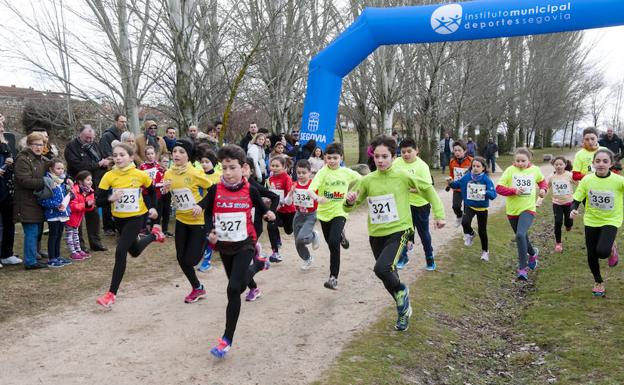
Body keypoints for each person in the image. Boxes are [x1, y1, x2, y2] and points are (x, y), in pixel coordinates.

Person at [345, 135, 445, 332]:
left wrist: (439, 214)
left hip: (400, 230)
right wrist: (349, 201)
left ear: (393, 157)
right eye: (377, 157)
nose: (380, 160)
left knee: (381, 269)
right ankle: (403, 312)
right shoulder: (367, 180)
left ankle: (402, 292)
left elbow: (428, 189)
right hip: (376, 233)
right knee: (388, 274)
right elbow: (350, 206)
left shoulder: (402, 176)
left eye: (385, 156)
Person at [203, 144, 275, 358]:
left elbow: (262, 209)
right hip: (224, 246)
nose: (227, 173)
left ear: (243, 168)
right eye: (224, 168)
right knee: (239, 284)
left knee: (233, 289)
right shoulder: (215, 190)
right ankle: (260, 264)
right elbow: (207, 215)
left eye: (232, 168)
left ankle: (226, 339)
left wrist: (268, 214)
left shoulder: (250, 190)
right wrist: (210, 233)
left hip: (246, 243)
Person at [95, 143, 165, 309]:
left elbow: (153, 191)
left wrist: (153, 207)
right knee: (134, 250)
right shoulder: (109, 176)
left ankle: (111, 295)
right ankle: (155, 235)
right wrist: (111, 198)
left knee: (121, 251)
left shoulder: (139, 175)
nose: (118, 158)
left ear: (131, 157)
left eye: (122, 155)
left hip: (136, 217)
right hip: (119, 219)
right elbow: (98, 200)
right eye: (116, 155)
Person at [162, 139, 213, 303]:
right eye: (175, 151)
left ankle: (209, 242)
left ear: (188, 156)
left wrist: (201, 205)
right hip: (181, 220)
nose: (177, 154)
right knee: (181, 258)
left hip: (197, 221)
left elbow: (213, 190)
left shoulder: (195, 173)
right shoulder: (168, 173)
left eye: (181, 152)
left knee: (191, 260)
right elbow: (171, 195)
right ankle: (197, 288)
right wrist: (165, 191)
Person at [570, 149, 624, 297]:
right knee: (592, 253)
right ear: (593, 163)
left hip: (611, 220)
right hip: (591, 220)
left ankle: (611, 247)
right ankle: (598, 282)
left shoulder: (619, 181)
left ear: (611, 164)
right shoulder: (587, 180)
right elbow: (577, 198)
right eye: (598, 161)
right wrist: (573, 209)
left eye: (605, 161)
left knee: (602, 252)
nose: (601, 164)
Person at [308, 143, 362, 290]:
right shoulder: (322, 172)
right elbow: (311, 190)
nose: (332, 160)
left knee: (333, 243)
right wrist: (318, 198)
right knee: (331, 242)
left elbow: (363, 181)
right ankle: (342, 237)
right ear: (325, 158)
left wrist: (355, 194)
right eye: (329, 157)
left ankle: (333, 278)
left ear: (341, 158)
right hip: (324, 213)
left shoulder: (346, 172)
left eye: (335, 158)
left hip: (340, 211)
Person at [496, 148, 547, 281]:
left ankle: (522, 269)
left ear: (529, 160)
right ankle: (532, 253)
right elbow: (499, 188)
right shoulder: (510, 170)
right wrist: (513, 191)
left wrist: (543, 189)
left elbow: (542, 181)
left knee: (520, 234)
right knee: (522, 236)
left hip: (528, 208)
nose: (520, 163)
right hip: (512, 211)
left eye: (523, 161)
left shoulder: (535, 170)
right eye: (517, 161)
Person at [393, 138, 442, 270]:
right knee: (402, 232)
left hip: (420, 205)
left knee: (423, 233)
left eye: (409, 151)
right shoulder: (397, 163)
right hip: (403, 204)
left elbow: (427, 187)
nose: (406, 154)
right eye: (403, 152)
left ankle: (429, 258)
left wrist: (408, 189)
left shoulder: (422, 166)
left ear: (417, 151)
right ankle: (403, 257)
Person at [64, 125, 109, 251]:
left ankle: (95, 243)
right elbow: (77, 165)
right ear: (80, 135)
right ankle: (80, 245)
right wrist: (98, 164)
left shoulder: (94, 146)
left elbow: (101, 159)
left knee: (93, 214)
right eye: (87, 138)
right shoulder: (71, 147)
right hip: (77, 185)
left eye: (91, 138)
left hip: (92, 185)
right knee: (77, 216)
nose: (89, 140)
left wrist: (104, 163)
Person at [241, 157, 279, 301]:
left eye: (245, 168)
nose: (242, 171)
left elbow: (274, 197)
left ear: (251, 171)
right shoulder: (230, 187)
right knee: (241, 263)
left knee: (244, 262)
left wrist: (271, 213)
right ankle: (254, 285)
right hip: (238, 231)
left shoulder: (254, 187)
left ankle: (253, 286)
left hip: (253, 228)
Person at [448, 156, 497, 261]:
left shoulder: (486, 180)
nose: (475, 168)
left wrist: (485, 192)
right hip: (470, 206)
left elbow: (493, 195)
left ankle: (485, 251)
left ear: (483, 168)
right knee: (465, 222)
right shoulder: (467, 176)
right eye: (473, 166)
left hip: (482, 209)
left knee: (482, 231)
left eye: (478, 166)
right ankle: (470, 233)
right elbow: (457, 184)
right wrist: (451, 182)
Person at [14, 132, 47, 269]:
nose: (39, 147)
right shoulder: (23, 159)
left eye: (41, 144)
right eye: (36, 144)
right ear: (29, 145)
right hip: (26, 202)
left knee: (37, 231)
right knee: (31, 232)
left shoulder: (40, 159)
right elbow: (24, 180)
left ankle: (33, 258)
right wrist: (45, 182)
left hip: (37, 202)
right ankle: (30, 261)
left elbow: (52, 167)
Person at [285, 159, 320, 271]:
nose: (301, 175)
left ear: (310, 172)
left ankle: (314, 235)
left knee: (302, 238)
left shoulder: (313, 185)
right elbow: (288, 202)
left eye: (304, 173)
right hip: (299, 215)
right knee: (298, 242)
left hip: (311, 215)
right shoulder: (294, 185)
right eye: (298, 172)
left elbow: (319, 199)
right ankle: (307, 258)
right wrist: (290, 193)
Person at [38, 158, 72, 267]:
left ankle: (57, 256)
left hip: (62, 214)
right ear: (51, 169)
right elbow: (43, 200)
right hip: (53, 214)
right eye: (58, 168)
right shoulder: (47, 181)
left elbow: (69, 196)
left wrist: (70, 192)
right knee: (53, 236)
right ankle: (51, 258)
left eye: (62, 168)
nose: (61, 171)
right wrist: (56, 205)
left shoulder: (62, 181)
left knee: (59, 235)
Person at [196, 146, 222, 272]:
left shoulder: (219, 176)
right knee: (205, 235)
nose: (204, 164)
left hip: (215, 210)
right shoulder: (198, 175)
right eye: (202, 162)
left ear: (213, 163)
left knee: (210, 234)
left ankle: (206, 261)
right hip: (200, 209)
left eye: (207, 162)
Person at [100, 114, 127, 237]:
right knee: (109, 199)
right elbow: (105, 153)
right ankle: (107, 227)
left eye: (125, 121)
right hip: (110, 171)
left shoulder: (123, 135)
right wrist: (116, 159)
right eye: (121, 121)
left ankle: (118, 225)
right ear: (116, 122)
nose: (124, 124)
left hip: (122, 172)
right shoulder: (107, 136)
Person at [267, 156, 296, 262]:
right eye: (272, 166)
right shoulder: (270, 179)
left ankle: (312, 234)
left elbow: (289, 195)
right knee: (271, 226)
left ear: (284, 167)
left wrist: (283, 201)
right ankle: (275, 252)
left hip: (289, 210)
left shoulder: (287, 178)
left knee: (289, 231)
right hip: (277, 209)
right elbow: (272, 194)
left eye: (277, 166)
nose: (274, 168)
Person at [0, 114, 20, 267]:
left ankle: (6, 254)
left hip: (6, 188)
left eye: (2, 123)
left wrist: (10, 162)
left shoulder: (5, 142)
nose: (2, 127)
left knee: (8, 222)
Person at [546, 156, 575, 252]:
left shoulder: (569, 175)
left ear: (565, 165)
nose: (558, 166)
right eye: (556, 164)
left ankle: (568, 225)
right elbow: (546, 188)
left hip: (569, 202)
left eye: (561, 164)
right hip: (557, 203)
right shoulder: (551, 177)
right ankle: (558, 243)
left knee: (568, 221)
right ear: (553, 165)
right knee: (558, 222)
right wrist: (540, 199)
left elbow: (580, 184)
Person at [66, 171, 94, 261]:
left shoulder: (89, 191)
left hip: (78, 217)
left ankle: (78, 250)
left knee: (76, 234)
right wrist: (85, 204)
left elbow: (88, 207)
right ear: (80, 181)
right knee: (70, 235)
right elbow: (72, 206)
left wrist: (89, 205)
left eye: (91, 180)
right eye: (88, 180)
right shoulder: (74, 191)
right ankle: (73, 252)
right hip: (70, 217)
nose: (90, 182)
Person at [447, 140, 472, 227]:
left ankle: (467, 231)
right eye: (455, 150)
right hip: (457, 188)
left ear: (464, 151)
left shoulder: (471, 161)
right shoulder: (452, 162)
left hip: (468, 189)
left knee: (467, 211)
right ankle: (459, 216)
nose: (457, 152)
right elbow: (451, 175)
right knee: (455, 206)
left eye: (459, 150)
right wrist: (449, 184)